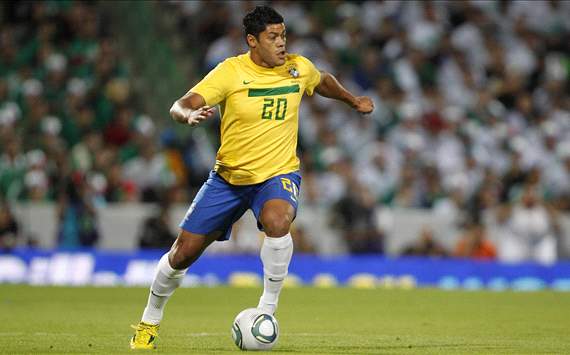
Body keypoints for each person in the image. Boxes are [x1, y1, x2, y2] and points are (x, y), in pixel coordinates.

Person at [130, 5, 374, 350]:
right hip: (228, 179)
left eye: (283, 36)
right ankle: (148, 322)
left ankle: (266, 311)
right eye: (272, 37)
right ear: (252, 41)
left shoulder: (297, 67)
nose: (281, 44)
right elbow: (180, 103)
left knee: (278, 221)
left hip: (276, 174)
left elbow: (322, 81)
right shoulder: (230, 72)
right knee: (182, 254)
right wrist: (187, 115)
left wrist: (352, 100)